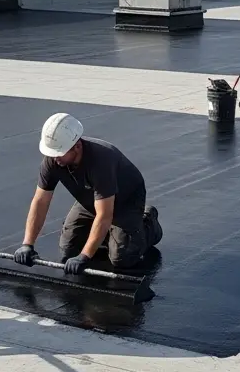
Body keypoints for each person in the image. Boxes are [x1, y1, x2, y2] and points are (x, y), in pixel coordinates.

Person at [14, 113, 163, 275]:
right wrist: (27, 244)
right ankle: (109, 234)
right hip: (93, 197)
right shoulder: (52, 160)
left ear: (77, 146)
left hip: (126, 202)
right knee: (69, 250)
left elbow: (104, 215)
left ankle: (147, 222)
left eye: (59, 152)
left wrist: (84, 256)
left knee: (122, 258)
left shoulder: (101, 162)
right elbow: (40, 201)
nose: (55, 158)